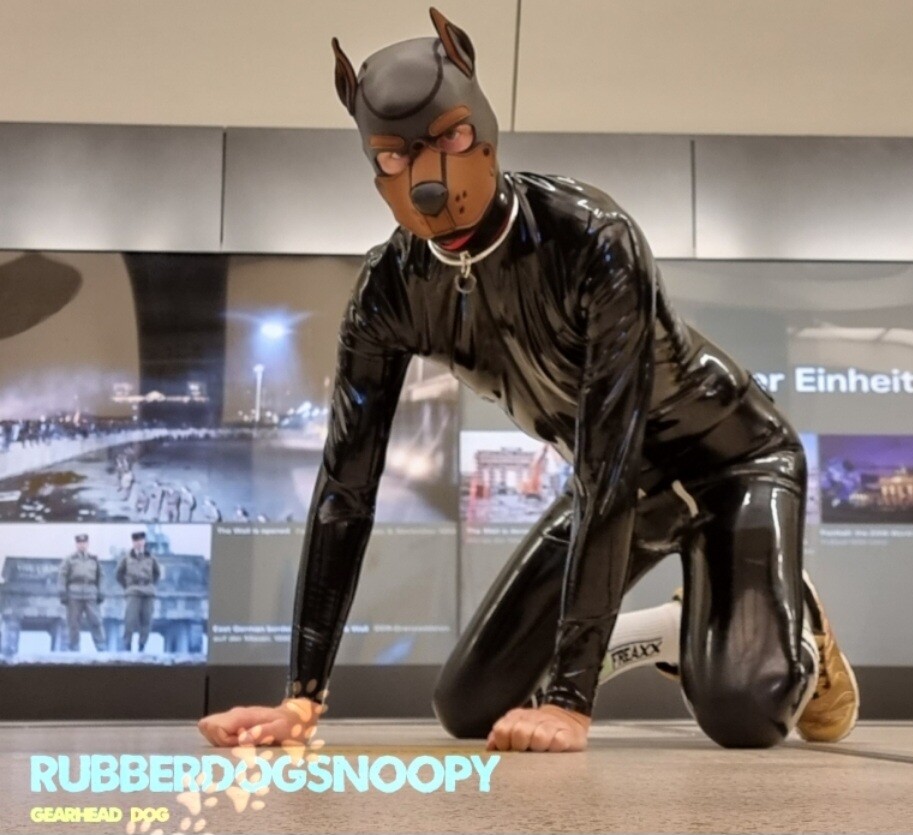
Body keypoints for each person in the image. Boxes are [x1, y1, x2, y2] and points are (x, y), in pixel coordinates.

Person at [198, 8, 857, 754]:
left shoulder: (592, 237)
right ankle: (674, 630)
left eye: (449, 138)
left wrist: (571, 701)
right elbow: (345, 490)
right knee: (470, 705)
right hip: (619, 486)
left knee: (741, 714)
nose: (428, 182)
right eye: (394, 157)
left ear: (482, 128)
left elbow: (608, 461)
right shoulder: (392, 290)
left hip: (731, 467)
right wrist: (302, 697)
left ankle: (798, 628)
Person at [57, 534, 105, 652]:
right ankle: (74, 647)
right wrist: (62, 592)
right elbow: (62, 576)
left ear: (87, 544)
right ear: (76, 544)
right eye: (79, 543)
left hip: (90, 593)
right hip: (74, 594)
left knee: (96, 621)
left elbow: (101, 576)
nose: (82, 545)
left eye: (84, 543)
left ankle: (101, 646)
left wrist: (101, 591)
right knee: (73, 623)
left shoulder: (94, 560)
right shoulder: (69, 559)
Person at [117, 531, 161, 653]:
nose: (139, 543)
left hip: (148, 592)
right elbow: (119, 574)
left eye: (141, 540)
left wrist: (150, 584)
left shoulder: (151, 557)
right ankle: (127, 645)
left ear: (144, 542)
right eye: (136, 541)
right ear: (133, 542)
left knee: (147, 620)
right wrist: (127, 586)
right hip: (133, 591)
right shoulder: (127, 558)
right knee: (130, 619)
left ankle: (142, 644)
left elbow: (157, 573)